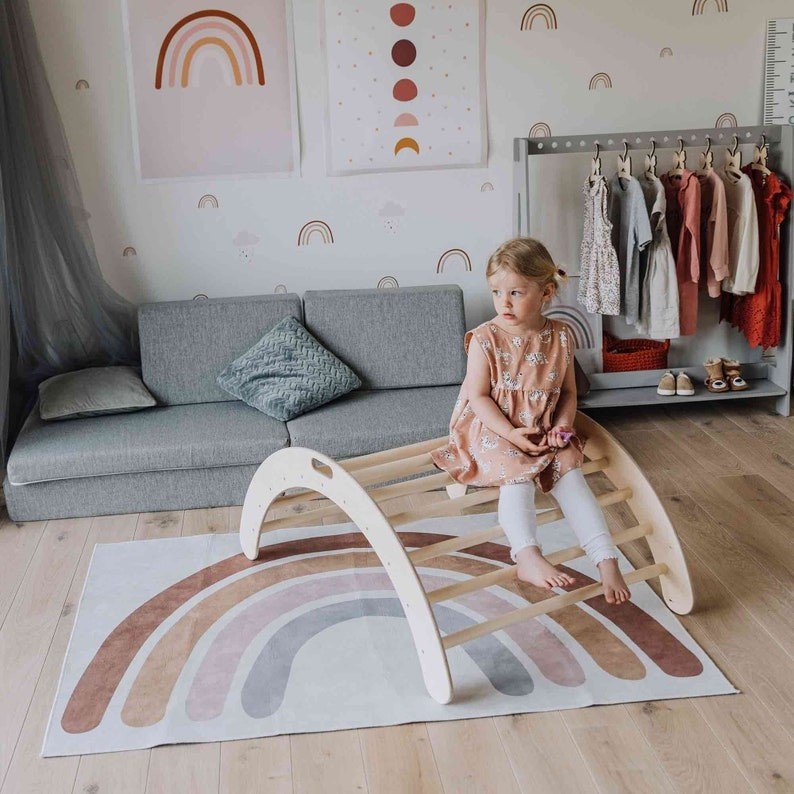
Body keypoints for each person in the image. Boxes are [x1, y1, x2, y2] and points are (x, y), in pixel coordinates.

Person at [430, 237, 631, 605]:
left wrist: (563, 426)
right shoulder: (485, 338)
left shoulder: (560, 335)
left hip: (543, 425)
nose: (503, 302)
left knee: (572, 476)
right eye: (496, 292)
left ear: (546, 292)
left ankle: (605, 559)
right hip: (492, 427)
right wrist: (510, 432)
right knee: (517, 475)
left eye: (516, 293)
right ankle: (526, 555)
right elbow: (478, 397)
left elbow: (569, 393)